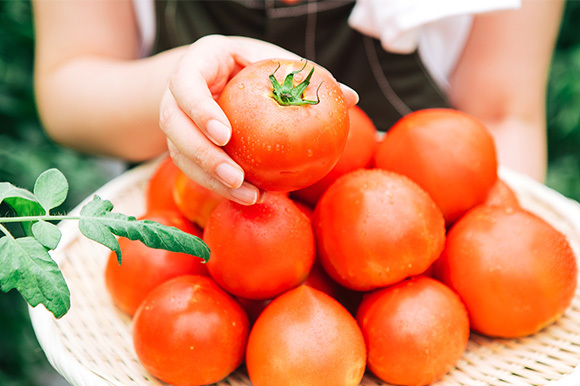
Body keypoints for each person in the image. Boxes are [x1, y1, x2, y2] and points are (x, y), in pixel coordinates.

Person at [32, 0, 564, 206]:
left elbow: (501, 114)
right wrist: (181, 89)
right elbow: (67, 87)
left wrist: (492, 248)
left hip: (417, 231)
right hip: (189, 224)